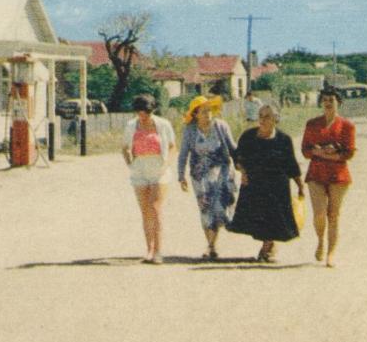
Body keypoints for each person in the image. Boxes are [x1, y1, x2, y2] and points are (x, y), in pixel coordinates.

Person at [227, 104, 305, 262]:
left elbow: (291, 165)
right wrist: (242, 172)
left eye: (267, 116)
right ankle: (268, 246)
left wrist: (300, 186)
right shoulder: (248, 136)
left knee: (273, 217)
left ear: (275, 119)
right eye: (260, 116)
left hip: (277, 186)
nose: (262, 119)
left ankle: (267, 247)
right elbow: (237, 157)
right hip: (255, 183)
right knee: (259, 217)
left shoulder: (284, 140)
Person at [301, 85, 356, 267]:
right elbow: (305, 150)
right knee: (319, 214)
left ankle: (331, 252)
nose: (328, 103)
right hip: (316, 172)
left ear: (338, 102)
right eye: (324, 100)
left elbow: (349, 153)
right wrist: (322, 153)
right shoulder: (312, 124)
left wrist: (325, 153)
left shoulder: (347, 126)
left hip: (338, 174)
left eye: (331, 100)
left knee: (333, 214)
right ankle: (320, 241)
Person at [177, 95, 237, 260]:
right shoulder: (190, 130)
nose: (207, 114)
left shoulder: (221, 126)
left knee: (219, 207)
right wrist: (180, 175)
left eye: (209, 111)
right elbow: (183, 154)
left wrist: (244, 165)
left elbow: (233, 148)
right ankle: (211, 246)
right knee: (206, 209)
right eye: (203, 111)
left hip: (222, 173)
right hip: (200, 175)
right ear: (195, 114)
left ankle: (212, 244)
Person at [121, 93, 176, 264]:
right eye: (140, 113)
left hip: (158, 168)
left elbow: (173, 146)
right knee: (145, 211)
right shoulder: (131, 125)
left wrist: (166, 165)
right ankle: (149, 250)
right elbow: (124, 147)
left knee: (155, 208)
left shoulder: (163, 124)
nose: (143, 117)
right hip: (140, 169)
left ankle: (159, 251)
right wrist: (131, 164)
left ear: (152, 111)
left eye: (146, 113)